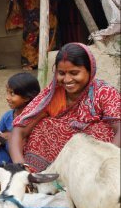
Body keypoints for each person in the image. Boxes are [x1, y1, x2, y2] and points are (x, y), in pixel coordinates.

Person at [9, 42, 120, 172]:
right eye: (61, 73)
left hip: (95, 168)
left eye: (74, 73)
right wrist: (21, 168)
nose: (67, 80)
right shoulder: (51, 95)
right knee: (44, 126)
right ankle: (40, 179)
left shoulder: (104, 93)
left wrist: (108, 164)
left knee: (102, 130)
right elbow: (19, 130)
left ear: (90, 70)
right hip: (54, 169)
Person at [0, 72, 40, 167]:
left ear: (26, 98)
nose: (7, 97)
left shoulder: (36, 118)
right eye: (7, 92)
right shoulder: (8, 116)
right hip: (6, 155)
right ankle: (2, 169)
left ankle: (10, 170)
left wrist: (10, 136)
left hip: (22, 158)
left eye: (12, 94)